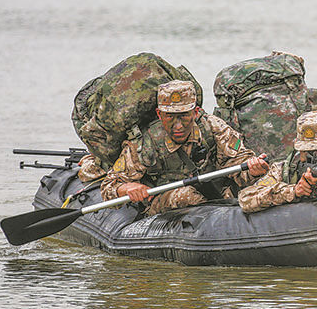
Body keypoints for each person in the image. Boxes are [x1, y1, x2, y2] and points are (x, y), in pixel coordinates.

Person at [101, 80, 269, 216]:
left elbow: (238, 162)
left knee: (261, 186)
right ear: (159, 115)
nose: (178, 125)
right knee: (187, 195)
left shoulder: (213, 127)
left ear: (195, 113)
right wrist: (126, 188)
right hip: (168, 199)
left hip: (216, 194)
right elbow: (109, 186)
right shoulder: (144, 144)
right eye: (170, 117)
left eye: (184, 116)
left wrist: (253, 170)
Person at [238, 111, 317, 213]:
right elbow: (245, 198)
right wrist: (293, 191)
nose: (312, 157)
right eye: (305, 151)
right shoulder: (285, 169)